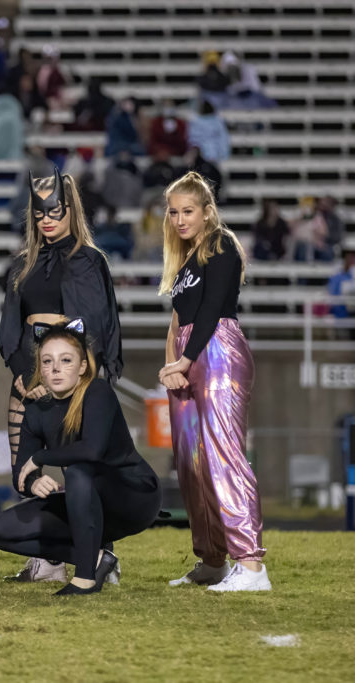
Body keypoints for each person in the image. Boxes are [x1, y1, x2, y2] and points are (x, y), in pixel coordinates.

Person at [0, 167, 123, 583]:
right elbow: (11, 327)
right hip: (29, 376)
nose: (46, 219)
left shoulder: (89, 261)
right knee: (26, 467)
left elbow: (97, 326)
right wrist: (24, 374)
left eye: (54, 211)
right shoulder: (22, 264)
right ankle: (49, 559)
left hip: (74, 377)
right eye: (39, 213)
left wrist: (77, 378)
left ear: (71, 210)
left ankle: (101, 555)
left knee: (82, 472)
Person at [0, 319, 161, 595]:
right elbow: (21, 473)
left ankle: (85, 580)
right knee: (2, 529)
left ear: (82, 367)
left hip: (132, 498)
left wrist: (41, 457)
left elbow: (92, 450)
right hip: (84, 501)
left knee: (80, 472)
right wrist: (33, 482)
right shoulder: (36, 410)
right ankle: (98, 560)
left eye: (66, 360)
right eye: (47, 361)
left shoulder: (97, 392)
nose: (55, 368)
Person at [158, 171, 270, 592]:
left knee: (224, 456)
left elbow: (210, 311)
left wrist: (185, 359)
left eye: (188, 211)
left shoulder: (221, 244)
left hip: (218, 352)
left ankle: (251, 565)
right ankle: (213, 561)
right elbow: (178, 319)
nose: (180, 220)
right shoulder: (185, 258)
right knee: (191, 464)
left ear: (207, 212)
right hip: (188, 356)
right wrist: (171, 364)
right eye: (173, 213)